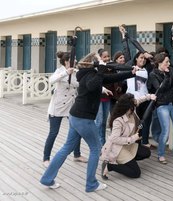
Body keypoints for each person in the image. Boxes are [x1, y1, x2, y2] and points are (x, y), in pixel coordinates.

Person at [40, 52, 140, 192]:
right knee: (96, 149)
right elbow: (93, 85)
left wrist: (131, 72)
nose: (103, 61)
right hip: (83, 118)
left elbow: (111, 77)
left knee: (67, 147)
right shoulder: (91, 75)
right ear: (94, 62)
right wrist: (100, 70)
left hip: (76, 116)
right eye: (100, 60)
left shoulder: (90, 73)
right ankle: (91, 184)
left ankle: (47, 178)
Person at [42, 51, 86, 168]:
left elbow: (84, 83)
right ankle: (46, 158)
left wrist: (102, 89)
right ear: (67, 61)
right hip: (58, 106)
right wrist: (66, 73)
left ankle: (77, 155)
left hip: (71, 106)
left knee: (77, 130)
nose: (76, 61)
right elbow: (51, 80)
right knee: (53, 133)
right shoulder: (60, 71)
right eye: (73, 59)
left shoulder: (76, 72)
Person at [100, 93, 155, 179]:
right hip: (118, 148)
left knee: (146, 152)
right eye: (132, 107)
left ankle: (127, 162)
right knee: (135, 173)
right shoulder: (118, 120)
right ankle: (110, 166)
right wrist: (133, 138)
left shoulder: (130, 108)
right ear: (126, 107)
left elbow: (139, 100)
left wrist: (149, 97)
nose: (134, 107)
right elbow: (115, 139)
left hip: (128, 145)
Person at [147, 52, 173, 164]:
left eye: (169, 62)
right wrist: (167, 76)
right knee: (165, 131)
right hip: (162, 104)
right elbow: (160, 89)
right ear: (159, 63)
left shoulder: (171, 70)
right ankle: (160, 155)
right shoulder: (153, 74)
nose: (168, 64)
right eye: (166, 62)